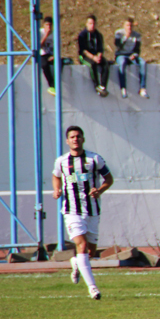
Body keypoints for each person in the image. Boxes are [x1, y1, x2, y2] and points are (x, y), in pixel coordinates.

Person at [53, 126, 114, 300]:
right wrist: (56, 189)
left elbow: (109, 179)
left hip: (92, 210)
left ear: (83, 139)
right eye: (72, 137)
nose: (75, 139)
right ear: (67, 141)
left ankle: (75, 263)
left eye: (78, 136)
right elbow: (56, 176)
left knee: (90, 253)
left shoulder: (94, 159)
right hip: (72, 211)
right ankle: (93, 288)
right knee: (82, 246)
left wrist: (99, 190)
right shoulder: (62, 161)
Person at [113, 17, 148, 99]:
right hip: (121, 54)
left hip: (131, 55)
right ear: (124, 26)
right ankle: (123, 88)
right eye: (127, 25)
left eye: (131, 26)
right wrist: (125, 37)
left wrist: (134, 55)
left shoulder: (137, 35)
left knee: (143, 63)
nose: (129, 28)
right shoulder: (119, 33)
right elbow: (118, 46)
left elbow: (137, 49)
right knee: (122, 63)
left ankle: (142, 88)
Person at [78, 14, 110, 96]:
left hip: (96, 56)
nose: (92, 26)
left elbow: (100, 48)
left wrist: (99, 56)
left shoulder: (98, 35)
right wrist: (93, 57)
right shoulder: (82, 35)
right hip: (85, 56)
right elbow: (83, 50)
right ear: (86, 24)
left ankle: (103, 85)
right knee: (92, 65)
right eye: (90, 23)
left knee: (105, 63)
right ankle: (96, 85)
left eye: (93, 24)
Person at [39, 16, 57, 96]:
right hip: (42, 54)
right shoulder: (40, 32)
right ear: (44, 25)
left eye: (50, 25)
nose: (48, 27)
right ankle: (51, 85)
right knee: (44, 65)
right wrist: (46, 35)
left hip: (50, 55)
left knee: (59, 63)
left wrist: (54, 55)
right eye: (47, 25)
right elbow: (38, 46)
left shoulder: (54, 34)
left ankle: (56, 82)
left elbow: (56, 47)